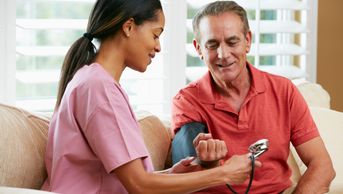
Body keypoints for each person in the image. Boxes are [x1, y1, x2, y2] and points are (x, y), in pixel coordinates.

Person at [41, 0, 261, 193]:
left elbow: (130, 181)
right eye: (155, 34)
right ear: (128, 27)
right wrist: (224, 174)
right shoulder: (98, 88)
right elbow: (140, 187)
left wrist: (172, 174)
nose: (157, 46)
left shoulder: (93, 81)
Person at [171, 1, 336, 194]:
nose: (223, 54)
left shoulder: (283, 90)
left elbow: (322, 166)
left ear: (247, 40)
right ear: (198, 49)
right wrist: (206, 163)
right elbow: (184, 181)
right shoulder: (187, 101)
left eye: (232, 42)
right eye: (212, 45)